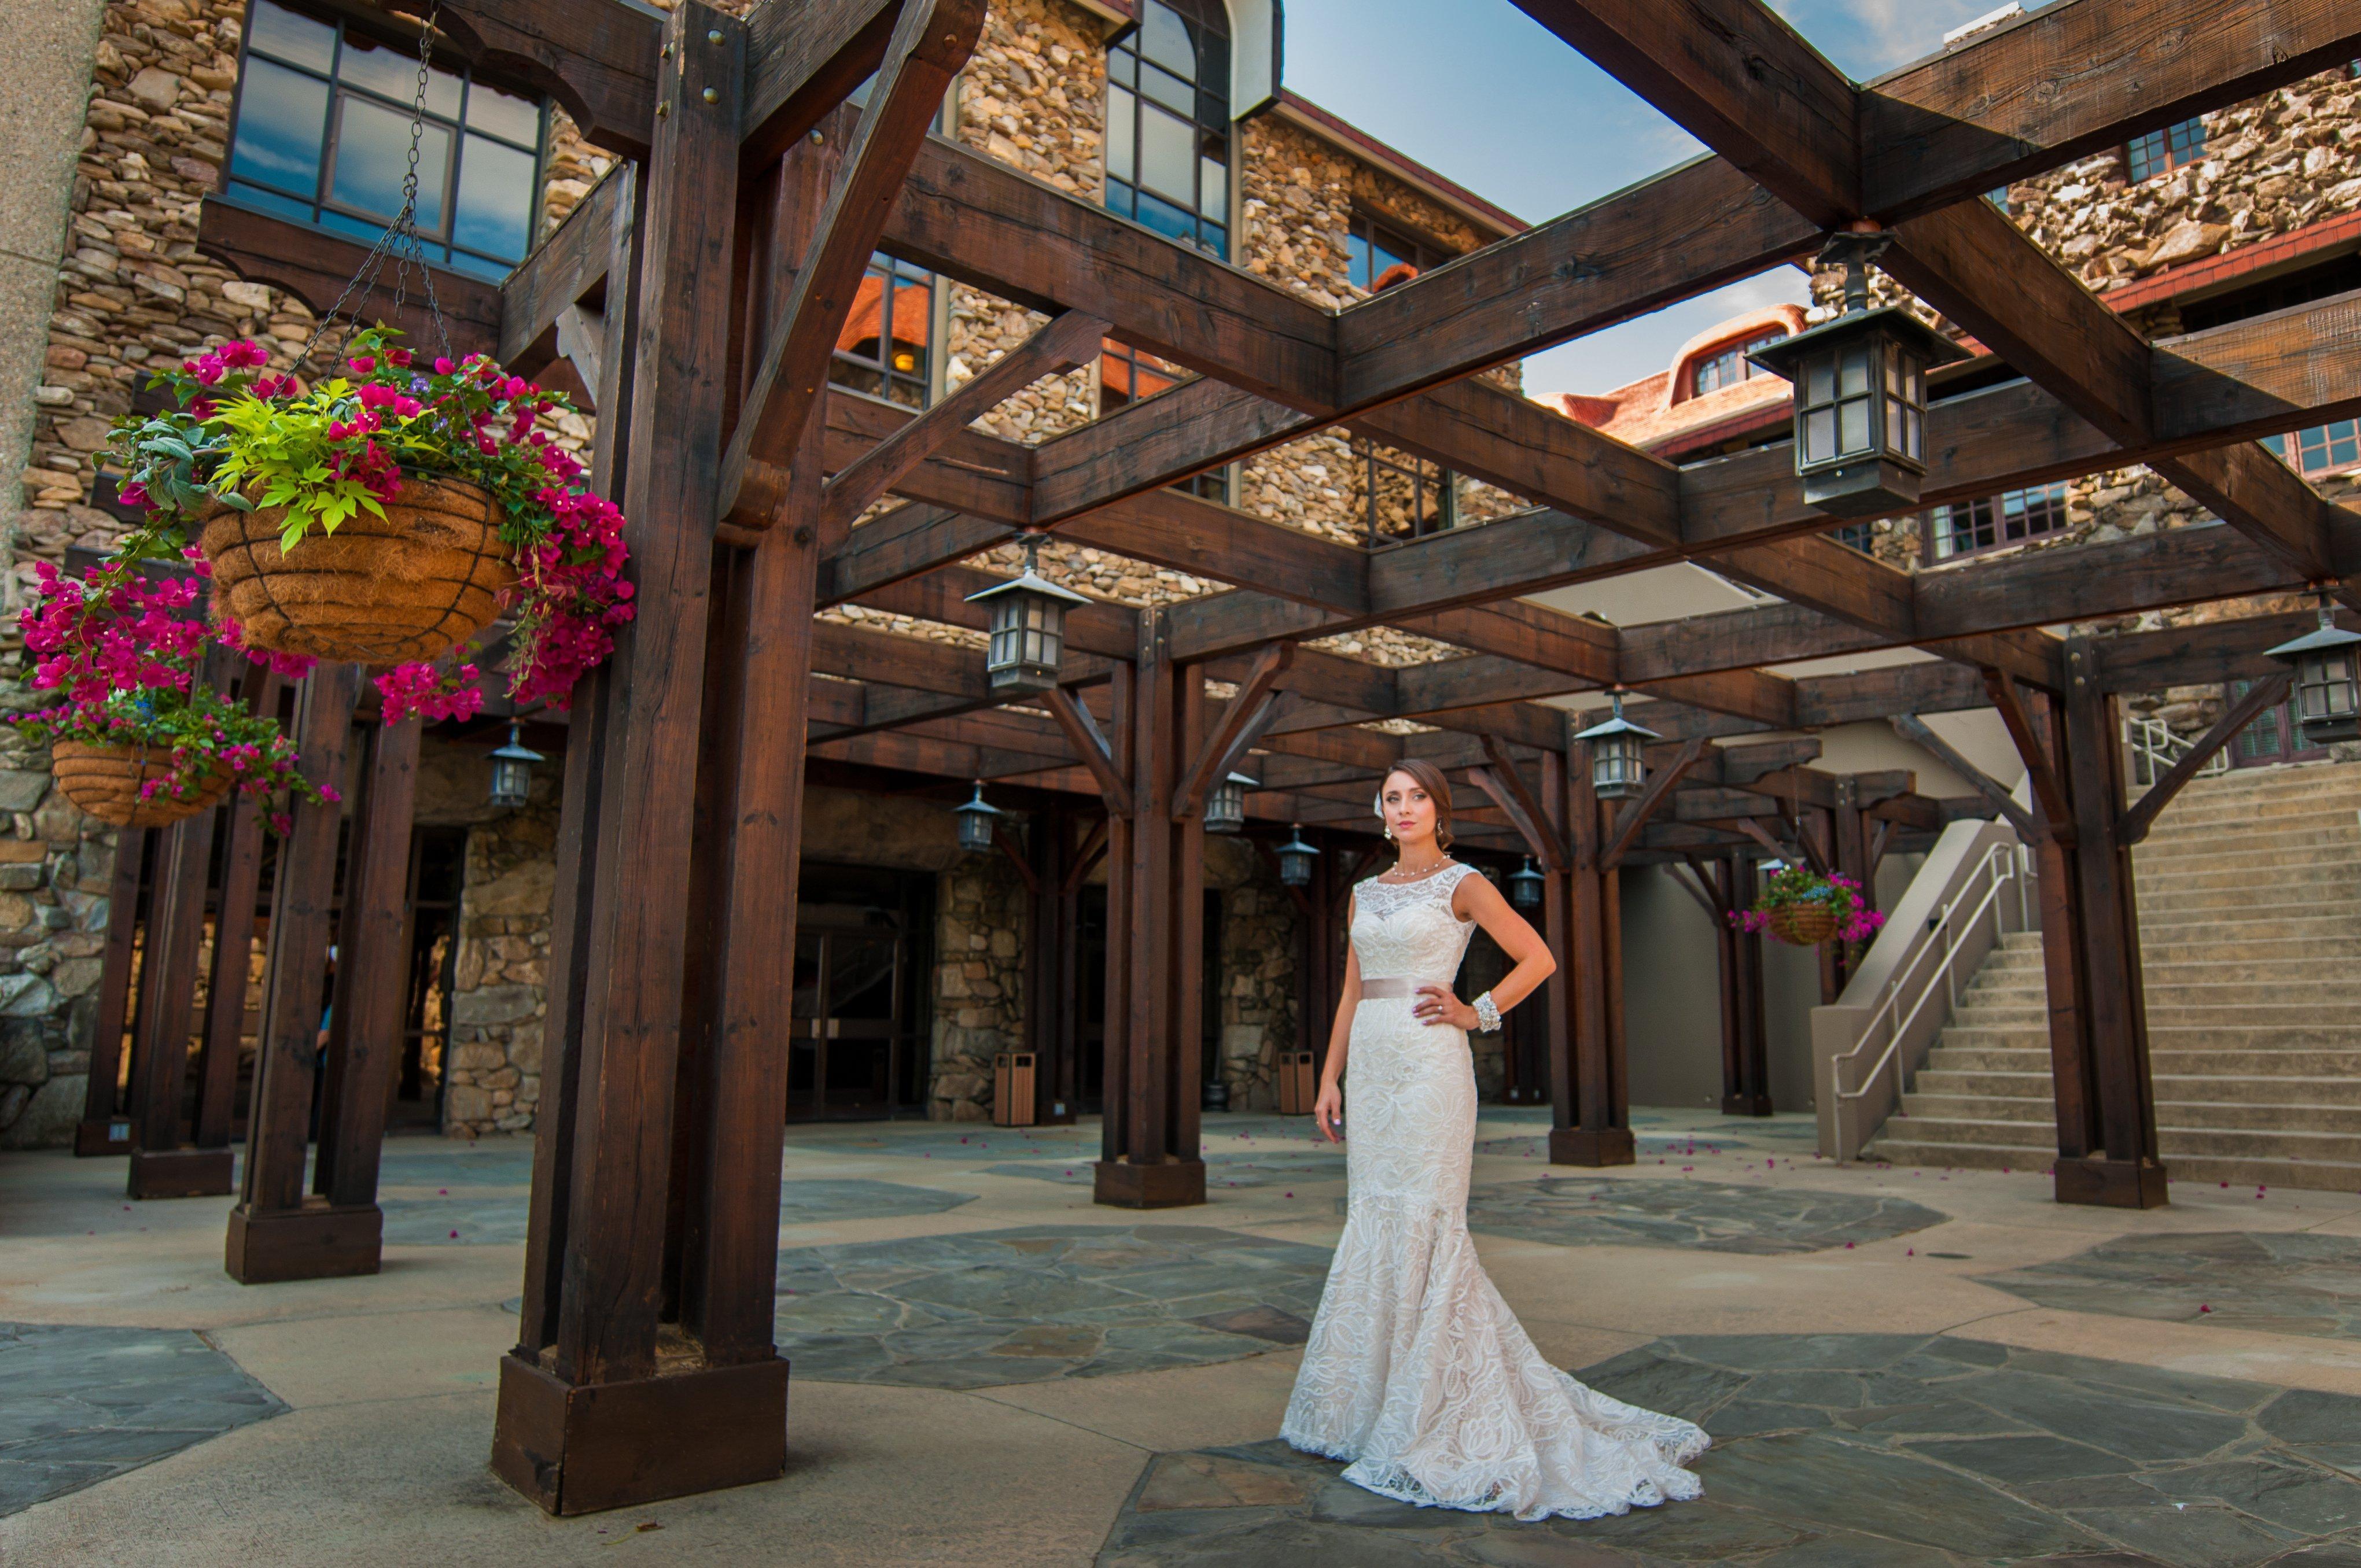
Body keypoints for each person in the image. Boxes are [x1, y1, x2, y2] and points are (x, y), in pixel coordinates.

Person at [1280, 760, 1708, 1521]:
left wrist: (1476, 1012)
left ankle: (1437, 1412)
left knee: (1427, 1225)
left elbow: (1538, 958)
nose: (1402, 807)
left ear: (1438, 810)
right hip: (1373, 1073)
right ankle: (1372, 1405)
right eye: (1390, 798)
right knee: (1375, 1219)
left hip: (1429, 1070)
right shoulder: (1363, 892)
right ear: (1379, 813)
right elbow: (1351, 988)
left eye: (1415, 797)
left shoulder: (1463, 882)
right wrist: (1329, 1075)